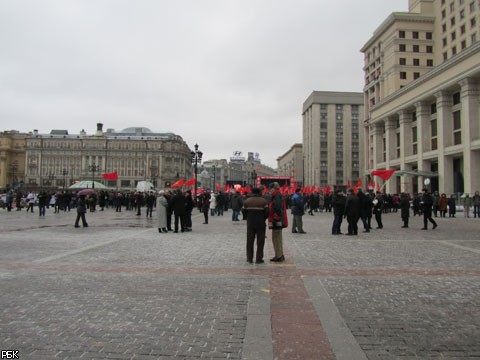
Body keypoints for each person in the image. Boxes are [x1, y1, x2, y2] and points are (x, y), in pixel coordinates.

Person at [243, 187, 269, 264]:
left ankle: (249, 258)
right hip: (260, 224)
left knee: (250, 241)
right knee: (260, 241)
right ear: (259, 192)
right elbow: (267, 212)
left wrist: (248, 217)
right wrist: (263, 218)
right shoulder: (263, 201)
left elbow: (243, 211)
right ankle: (259, 259)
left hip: (250, 224)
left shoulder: (247, 201)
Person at [268, 182, 286, 262]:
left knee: (276, 238)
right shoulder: (276, 195)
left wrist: (275, 216)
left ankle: (278, 256)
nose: (270, 191)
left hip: (276, 219)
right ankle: (279, 254)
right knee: (277, 237)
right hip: (276, 219)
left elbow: (278, 208)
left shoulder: (277, 196)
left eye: (271, 189)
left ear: (274, 188)